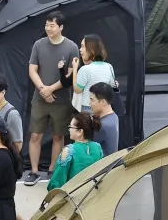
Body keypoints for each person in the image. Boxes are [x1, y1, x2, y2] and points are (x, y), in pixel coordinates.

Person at [27, 12, 79, 185]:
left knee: (58, 136)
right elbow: (32, 70)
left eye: (52, 25)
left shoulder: (71, 47)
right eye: (47, 25)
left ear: (61, 27)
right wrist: (43, 89)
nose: (48, 28)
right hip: (39, 99)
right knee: (35, 135)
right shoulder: (38, 45)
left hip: (61, 100)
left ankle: (52, 169)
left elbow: (70, 76)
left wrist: (51, 89)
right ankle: (33, 172)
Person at [47, 112, 104, 191]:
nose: (69, 129)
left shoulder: (68, 150)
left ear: (80, 132)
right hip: (90, 194)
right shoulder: (98, 148)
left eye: (71, 127)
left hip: (71, 196)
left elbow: (58, 181)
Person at [67, 36, 116, 111]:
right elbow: (112, 86)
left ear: (91, 50)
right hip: (105, 108)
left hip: (88, 108)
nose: (80, 50)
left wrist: (75, 68)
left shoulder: (85, 69)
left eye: (83, 46)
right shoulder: (109, 66)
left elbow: (77, 90)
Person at [88, 82, 120, 156]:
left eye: (92, 100)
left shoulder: (103, 126)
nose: (90, 103)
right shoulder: (114, 116)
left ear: (103, 102)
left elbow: (88, 149)